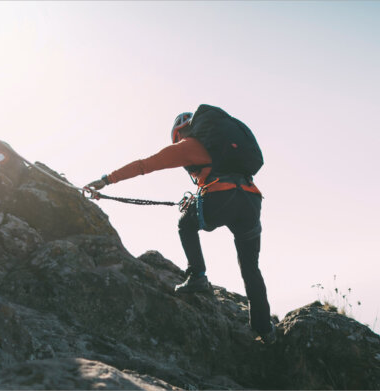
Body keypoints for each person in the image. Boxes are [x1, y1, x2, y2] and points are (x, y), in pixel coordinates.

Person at [85, 106, 276, 344]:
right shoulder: (224, 147)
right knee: (250, 267)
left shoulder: (189, 146)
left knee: (186, 224)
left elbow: (145, 165)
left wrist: (106, 180)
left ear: (178, 134)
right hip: (251, 199)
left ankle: (197, 275)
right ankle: (264, 328)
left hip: (222, 197)